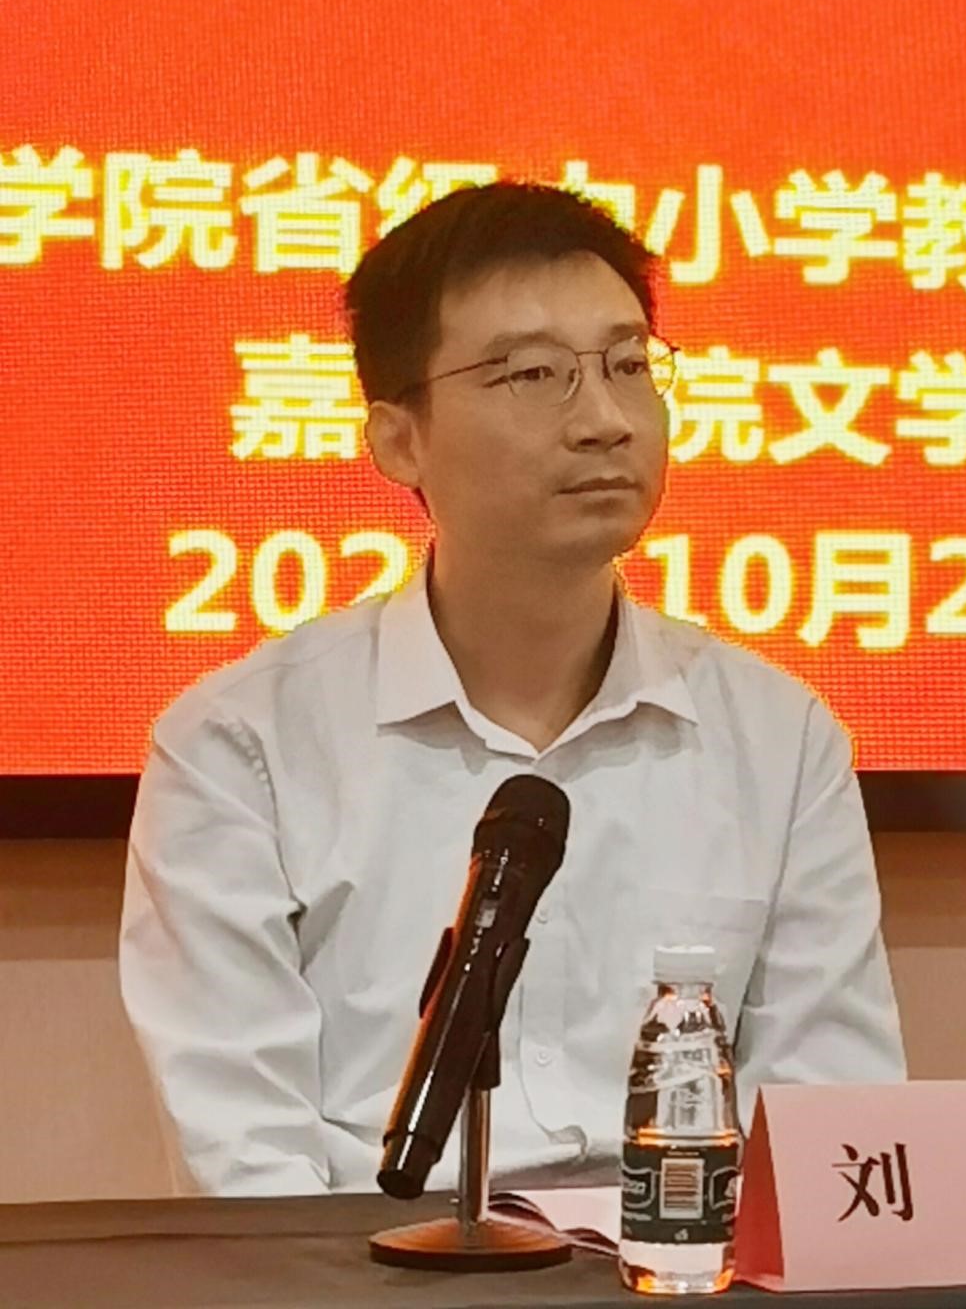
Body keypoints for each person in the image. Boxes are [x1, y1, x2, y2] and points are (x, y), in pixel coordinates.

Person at [119, 180, 905, 1197]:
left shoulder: (778, 738)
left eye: (628, 365)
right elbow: (242, 1164)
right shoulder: (241, 746)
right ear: (398, 437)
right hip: (361, 1266)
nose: (605, 420)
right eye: (534, 373)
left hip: (679, 1264)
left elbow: (828, 1131)